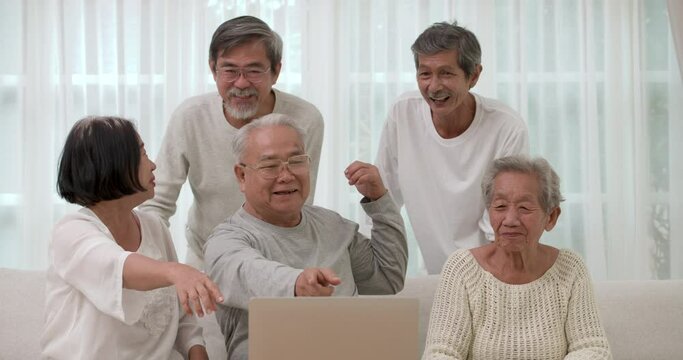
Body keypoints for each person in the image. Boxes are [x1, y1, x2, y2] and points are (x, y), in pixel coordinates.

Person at [204, 114, 408, 360]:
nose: (286, 175)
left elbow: (388, 278)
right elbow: (249, 273)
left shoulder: (332, 225)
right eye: (270, 166)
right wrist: (299, 283)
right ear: (242, 176)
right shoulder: (226, 241)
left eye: (296, 161)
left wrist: (379, 199)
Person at [140, 15, 324, 269]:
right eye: (229, 70)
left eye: (253, 70)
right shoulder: (191, 116)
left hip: (280, 261)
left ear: (276, 71)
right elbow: (156, 203)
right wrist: (160, 269)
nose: (241, 83)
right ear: (213, 69)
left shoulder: (305, 119)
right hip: (206, 259)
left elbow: (297, 202)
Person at [41, 116, 224, 360]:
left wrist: (197, 350)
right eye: (142, 154)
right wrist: (176, 271)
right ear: (113, 163)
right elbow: (116, 266)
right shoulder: (71, 232)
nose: (153, 165)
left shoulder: (154, 227)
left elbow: (182, 319)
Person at [375, 21, 529, 274]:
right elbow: (384, 199)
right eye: (425, 74)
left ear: (474, 76)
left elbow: (503, 222)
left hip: (494, 272)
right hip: (436, 276)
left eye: (446, 73)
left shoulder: (507, 127)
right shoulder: (403, 113)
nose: (434, 86)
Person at [422, 155, 611, 359]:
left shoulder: (570, 269)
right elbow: (440, 353)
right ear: (489, 212)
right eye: (500, 206)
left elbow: (593, 349)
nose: (510, 220)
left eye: (524, 208)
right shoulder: (462, 269)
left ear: (551, 216)